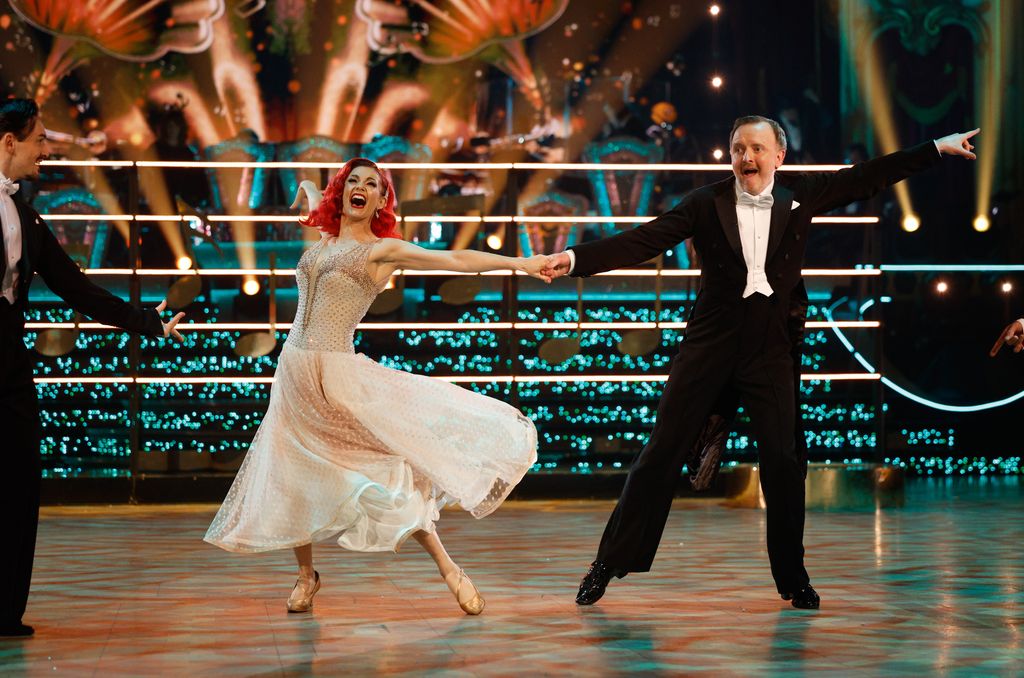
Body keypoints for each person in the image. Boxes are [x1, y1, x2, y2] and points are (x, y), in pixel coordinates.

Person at [542, 115, 979, 610]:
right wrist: (575, 259)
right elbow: (646, 239)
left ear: (779, 156)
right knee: (661, 453)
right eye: (737, 149)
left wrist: (935, 149)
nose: (746, 158)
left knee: (783, 461)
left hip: (770, 349)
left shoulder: (801, 196)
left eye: (755, 148)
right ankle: (608, 563)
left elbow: (866, 177)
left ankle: (793, 578)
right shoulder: (705, 203)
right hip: (709, 346)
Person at [205, 158, 548, 616]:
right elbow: (311, 204)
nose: (360, 188)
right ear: (342, 192)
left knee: (387, 470)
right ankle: (306, 576)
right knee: (290, 471)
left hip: (337, 376)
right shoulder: (325, 239)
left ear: (382, 200)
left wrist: (520, 262)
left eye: (371, 184)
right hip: (292, 373)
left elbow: (455, 259)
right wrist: (308, 187)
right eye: (353, 182)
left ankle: (450, 569)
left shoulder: (379, 251)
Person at [0, 98, 185, 638]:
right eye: (38, 140)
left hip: (9, 363)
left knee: (18, 479)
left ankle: (6, 609)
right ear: (9, 143)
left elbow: (76, 288)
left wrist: (146, 323)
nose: (46, 151)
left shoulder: (26, 216)